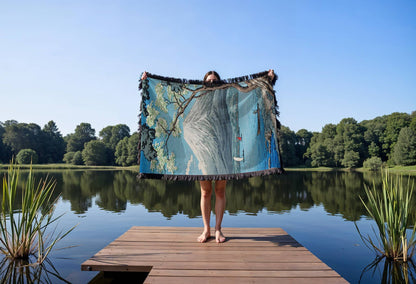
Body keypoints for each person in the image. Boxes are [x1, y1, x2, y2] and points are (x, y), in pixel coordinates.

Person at [140, 69, 275, 244]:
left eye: (215, 80)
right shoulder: (200, 97)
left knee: (220, 191)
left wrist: (267, 79)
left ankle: (218, 229)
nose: (212, 83)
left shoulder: (225, 93)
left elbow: (246, 94)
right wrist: (147, 81)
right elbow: (188, 123)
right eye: (209, 80)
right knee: (205, 192)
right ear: (204, 83)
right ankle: (206, 229)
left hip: (224, 147)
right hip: (204, 150)